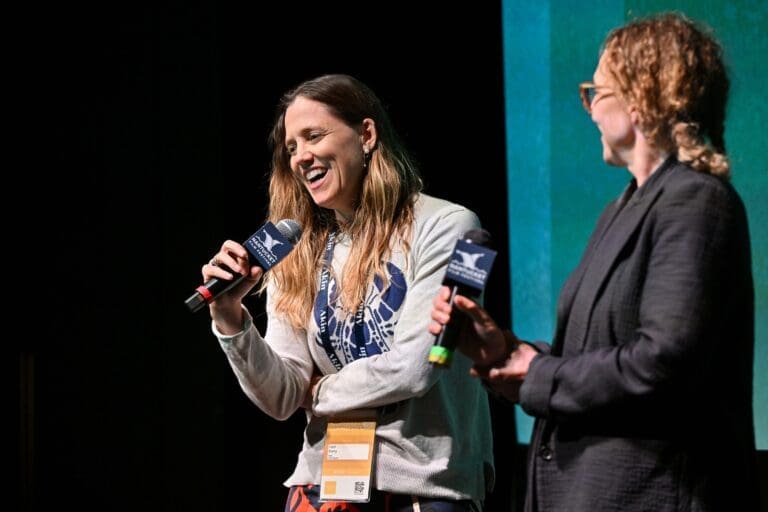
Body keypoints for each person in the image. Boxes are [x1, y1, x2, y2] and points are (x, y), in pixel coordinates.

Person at [429, 12, 758, 512]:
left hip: (651, 494)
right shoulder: (622, 208)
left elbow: (662, 365)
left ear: (644, 95)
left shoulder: (696, 201)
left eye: (596, 92)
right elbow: (594, 351)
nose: (589, 110)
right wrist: (506, 350)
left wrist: (535, 374)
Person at [202, 74, 494, 511]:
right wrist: (229, 317)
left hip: (423, 487)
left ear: (367, 134)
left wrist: (317, 393)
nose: (301, 157)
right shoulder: (295, 249)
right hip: (322, 485)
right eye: (291, 147)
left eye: (313, 137)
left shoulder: (447, 226)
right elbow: (283, 395)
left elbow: (417, 367)